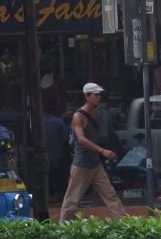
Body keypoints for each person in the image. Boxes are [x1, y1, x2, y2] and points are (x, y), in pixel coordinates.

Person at [59, 83, 127, 223]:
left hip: (95, 164)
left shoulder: (97, 113)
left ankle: (124, 223)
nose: (98, 97)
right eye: (95, 95)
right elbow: (81, 139)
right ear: (87, 96)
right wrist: (102, 151)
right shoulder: (78, 116)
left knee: (110, 195)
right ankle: (62, 227)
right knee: (72, 200)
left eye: (99, 95)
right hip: (82, 164)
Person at [43, 108, 70, 199]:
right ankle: (58, 192)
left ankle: (51, 192)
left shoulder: (40, 122)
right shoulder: (59, 122)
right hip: (57, 153)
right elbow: (65, 139)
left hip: (45, 154)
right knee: (58, 174)